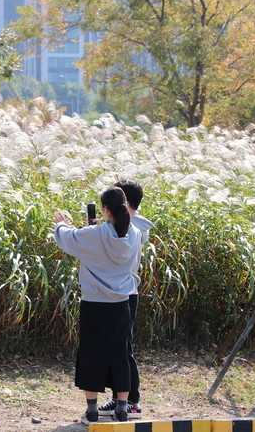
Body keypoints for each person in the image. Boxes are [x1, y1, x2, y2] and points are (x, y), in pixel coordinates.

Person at [53, 186, 143, 425]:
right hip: (122, 302)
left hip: (94, 303)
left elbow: (67, 239)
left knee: (91, 353)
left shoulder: (93, 234)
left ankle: (92, 411)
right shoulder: (135, 234)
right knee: (121, 353)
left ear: (104, 209)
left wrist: (61, 223)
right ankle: (122, 409)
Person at [98, 180, 153, 419]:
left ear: (125, 202)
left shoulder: (135, 228)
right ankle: (118, 397)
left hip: (125, 294)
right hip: (115, 293)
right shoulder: (120, 225)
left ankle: (132, 400)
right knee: (114, 348)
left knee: (123, 349)